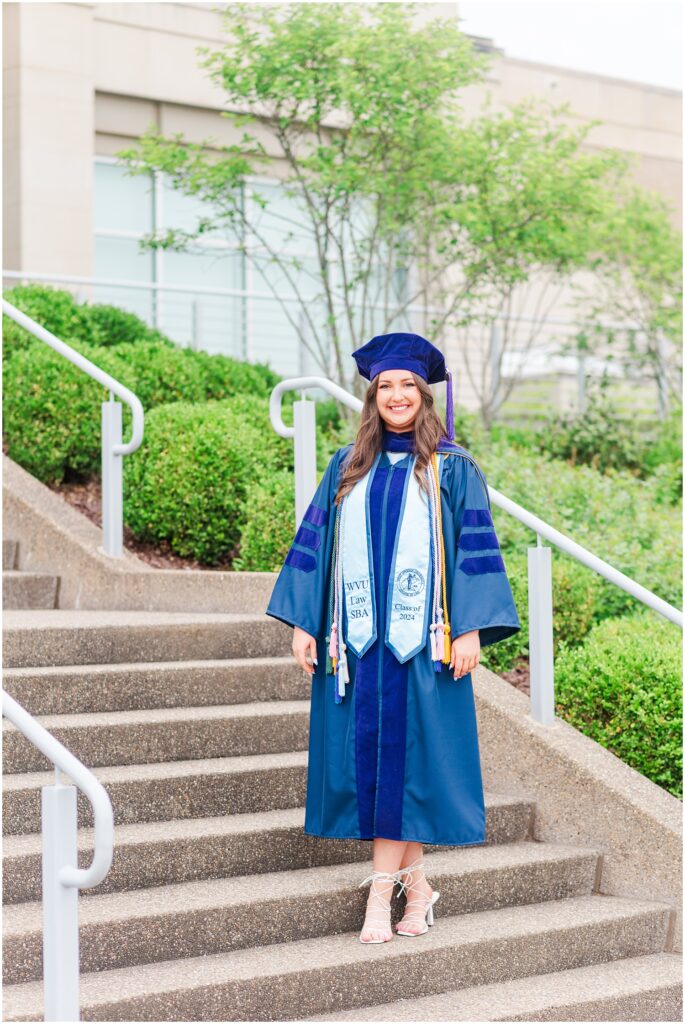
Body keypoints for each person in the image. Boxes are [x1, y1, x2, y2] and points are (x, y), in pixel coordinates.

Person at [266, 332, 521, 944]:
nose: (398, 396)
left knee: (408, 769)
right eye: (386, 386)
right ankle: (421, 893)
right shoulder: (347, 466)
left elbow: (475, 552)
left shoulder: (453, 470)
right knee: (384, 774)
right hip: (355, 647)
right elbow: (317, 543)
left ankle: (380, 900)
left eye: (409, 385)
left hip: (422, 648)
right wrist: (305, 620)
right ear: (373, 396)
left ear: (425, 395)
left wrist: (471, 629)